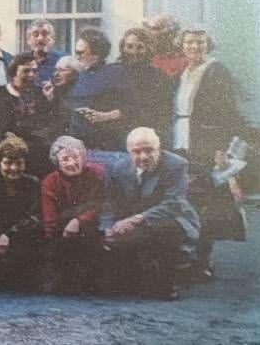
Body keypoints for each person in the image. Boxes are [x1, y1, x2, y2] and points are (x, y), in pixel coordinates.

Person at [172, 25, 245, 279]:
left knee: (205, 203)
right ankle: (185, 256)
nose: (194, 47)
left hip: (205, 144)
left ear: (208, 45)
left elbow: (227, 114)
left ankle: (203, 260)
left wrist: (219, 150)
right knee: (185, 200)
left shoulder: (216, 71)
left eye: (200, 42)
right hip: (181, 140)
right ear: (182, 45)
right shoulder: (183, 71)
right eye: (189, 42)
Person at [101, 128, 200, 299]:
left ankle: (166, 284)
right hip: (135, 222)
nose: (144, 157)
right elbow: (110, 203)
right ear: (128, 151)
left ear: (159, 148)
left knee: (165, 230)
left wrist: (135, 219)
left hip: (171, 219)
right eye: (137, 152)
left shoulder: (176, 164)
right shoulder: (119, 168)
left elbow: (173, 203)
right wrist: (107, 227)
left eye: (149, 150)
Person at [0, 134, 42, 286]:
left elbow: (34, 216)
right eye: (8, 163)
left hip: (18, 238)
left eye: (19, 163)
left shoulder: (33, 184)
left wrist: (10, 235)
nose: (13, 168)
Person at [40, 136, 104, 293]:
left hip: (87, 223)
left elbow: (96, 205)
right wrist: (52, 238)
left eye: (76, 157)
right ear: (57, 162)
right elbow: (49, 215)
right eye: (65, 159)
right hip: (60, 226)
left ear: (83, 157)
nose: (71, 163)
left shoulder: (95, 173)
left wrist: (78, 221)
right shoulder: (50, 181)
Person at [65, 27, 129, 151]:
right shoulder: (76, 73)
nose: (77, 57)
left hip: (105, 142)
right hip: (76, 141)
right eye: (76, 52)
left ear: (96, 54)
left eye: (81, 53)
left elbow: (130, 108)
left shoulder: (115, 72)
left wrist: (104, 116)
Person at [0, 53, 55, 177]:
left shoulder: (39, 94)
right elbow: (0, 125)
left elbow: (46, 124)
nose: (31, 75)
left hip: (35, 151)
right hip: (8, 150)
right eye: (26, 71)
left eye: (34, 71)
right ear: (14, 72)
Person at [118, 27, 174, 146]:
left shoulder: (160, 77)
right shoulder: (113, 72)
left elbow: (164, 113)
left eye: (140, 47)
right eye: (129, 46)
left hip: (146, 136)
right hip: (117, 135)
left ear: (148, 49)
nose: (134, 51)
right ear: (123, 47)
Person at [143, 13, 187, 78]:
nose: (148, 32)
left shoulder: (182, 57)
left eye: (154, 28)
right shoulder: (141, 51)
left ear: (171, 33)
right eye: (148, 27)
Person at [26, 19, 67, 86]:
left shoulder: (64, 60)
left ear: (53, 38)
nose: (40, 38)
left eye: (45, 34)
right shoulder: (22, 61)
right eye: (35, 35)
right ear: (28, 40)